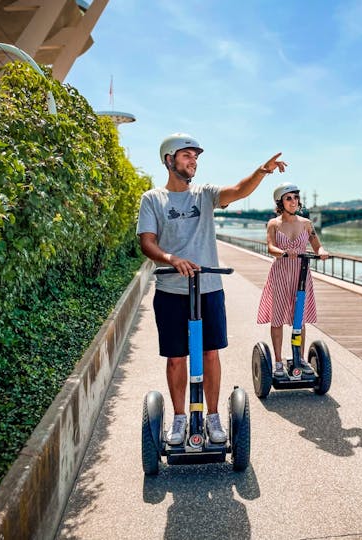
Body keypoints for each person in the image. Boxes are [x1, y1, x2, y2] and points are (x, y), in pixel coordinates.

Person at [137, 133, 286, 445]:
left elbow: (237, 190)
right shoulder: (152, 199)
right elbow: (147, 242)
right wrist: (171, 259)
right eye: (187, 155)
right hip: (171, 290)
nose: (193, 162)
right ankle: (179, 418)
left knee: (209, 353)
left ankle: (213, 415)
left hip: (209, 288)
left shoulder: (204, 194)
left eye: (196, 157)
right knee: (177, 358)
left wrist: (262, 171)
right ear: (169, 160)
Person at [257, 182, 328, 377]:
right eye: (289, 198)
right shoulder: (274, 224)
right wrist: (284, 252)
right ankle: (278, 362)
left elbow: (316, 245)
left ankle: (300, 358)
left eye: (296, 198)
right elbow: (270, 247)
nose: (293, 201)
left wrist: (322, 252)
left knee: (300, 319)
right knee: (277, 317)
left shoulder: (306, 223)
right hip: (281, 272)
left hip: (301, 273)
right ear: (280, 202)